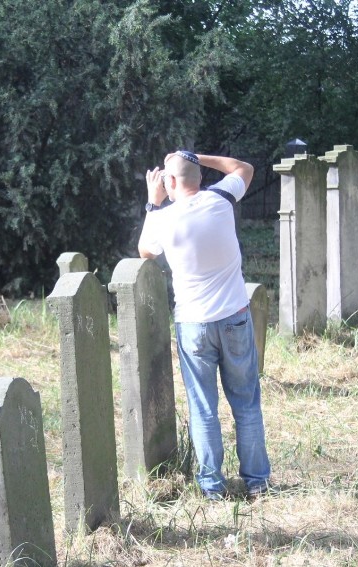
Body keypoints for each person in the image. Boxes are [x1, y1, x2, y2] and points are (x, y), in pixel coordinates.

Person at [138, 149, 270, 500]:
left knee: (203, 408)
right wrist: (197, 156)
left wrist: (153, 202)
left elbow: (145, 251)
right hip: (235, 318)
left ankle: (213, 487)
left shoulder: (164, 219)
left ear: (170, 183)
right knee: (246, 403)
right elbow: (245, 167)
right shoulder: (221, 199)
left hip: (194, 324)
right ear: (199, 179)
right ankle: (257, 481)